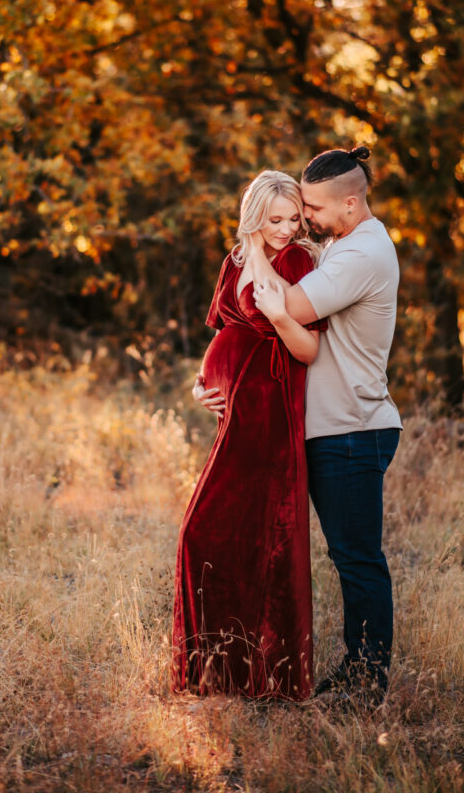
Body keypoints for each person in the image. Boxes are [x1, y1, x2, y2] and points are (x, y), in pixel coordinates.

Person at [251, 146, 401, 705]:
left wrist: (253, 244)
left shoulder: (360, 254)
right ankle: (356, 668)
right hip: (336, 428)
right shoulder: (342, 242)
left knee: (358, 559)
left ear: (351, 201)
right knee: (347, 557)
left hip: (352, 429)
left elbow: (286, 302)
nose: (305, 217)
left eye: (311, 207)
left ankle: (367, 682)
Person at [171, 170, 326, 700]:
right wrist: (199, 385)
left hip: (272, 412)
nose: (286, 228)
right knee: (206, 534)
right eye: (274, 219)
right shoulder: (232, 262)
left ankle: (270, 677)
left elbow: (308, 344)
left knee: (268, 538)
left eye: (293, 218)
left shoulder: (299, 260)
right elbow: (221, 334)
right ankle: (215, 674)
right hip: (231, 412)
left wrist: (258, 244)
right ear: (254, 215)